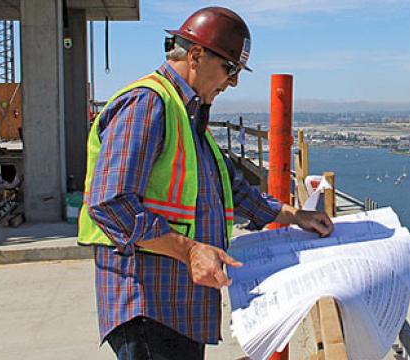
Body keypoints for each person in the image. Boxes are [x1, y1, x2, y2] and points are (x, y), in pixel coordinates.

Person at [77, 6, 333, 360]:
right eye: (230, 68)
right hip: (151, 304)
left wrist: (294, 215)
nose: (233, 82)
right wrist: (191, 250)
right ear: (196, 56)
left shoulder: (188, 114)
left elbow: (230, 189)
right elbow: (109, 203)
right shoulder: (147, 104)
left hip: (180, 305)